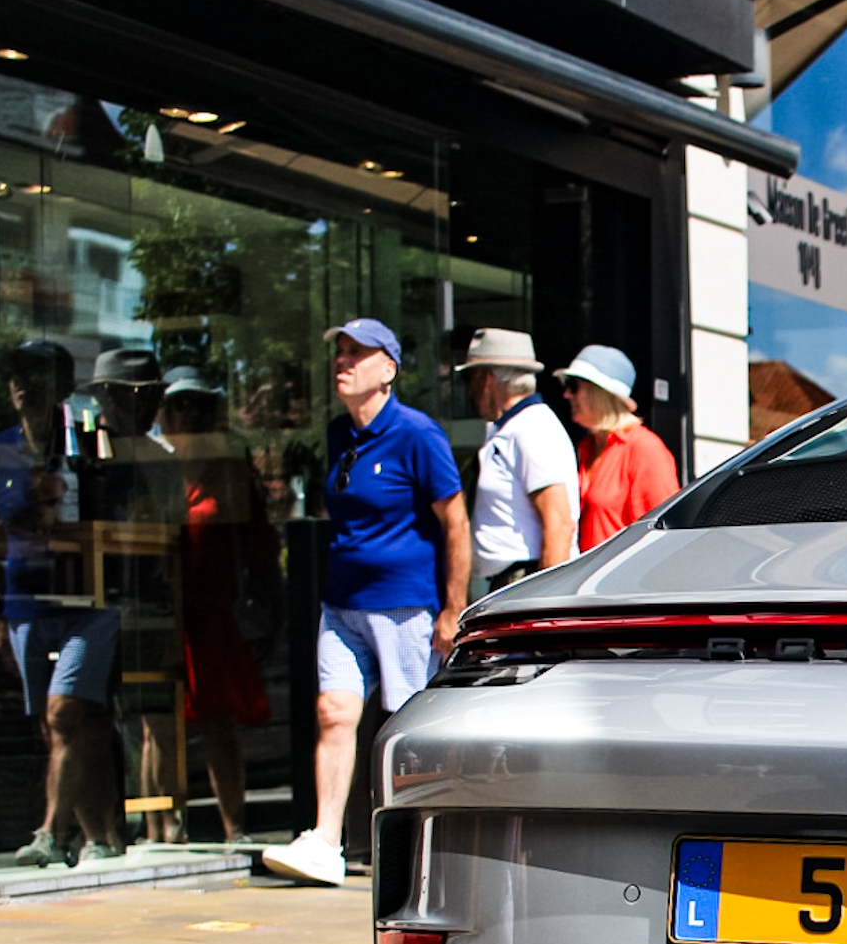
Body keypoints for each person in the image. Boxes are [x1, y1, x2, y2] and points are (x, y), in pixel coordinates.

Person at [259, 320, 468, 888]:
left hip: (404, 606)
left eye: (357, 353)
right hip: (343, 604)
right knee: (334, 712)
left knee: (404, 731)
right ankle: (326, 841)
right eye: (340, 353)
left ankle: (418, 850)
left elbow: (454, 521)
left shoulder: (418, 434)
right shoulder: (338, 434)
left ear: (389, 370)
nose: (343, 362)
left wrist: (452, 609)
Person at [0, 340, 127, 869]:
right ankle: (102, 834)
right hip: (25, 602)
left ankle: (49, 832)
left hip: (86, 600)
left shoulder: (88, 445)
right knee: (68, 726)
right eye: (17, 374)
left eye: (38, 375)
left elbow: (114, 517)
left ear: (62, 388)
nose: (23, 384)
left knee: (64, 712)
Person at [148, 364, 275, 844]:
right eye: (178, 403)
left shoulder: (229, 469)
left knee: (219, 725)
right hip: (163, 615)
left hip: (212, 615)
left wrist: (269, 601)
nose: (188, 413)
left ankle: (233, 828)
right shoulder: (154, 467)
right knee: (158, 727)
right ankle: (162, 830)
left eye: (198, 403)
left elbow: (259, 541)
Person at [457, 328, 576, 593]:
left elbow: (559, 522)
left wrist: (544, 607)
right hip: (508, 584)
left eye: (468, 378)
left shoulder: (532, 427)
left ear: (486, 379)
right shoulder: (510, 427)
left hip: (522, 583)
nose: (468, 391)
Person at [559, 344, 679, 550]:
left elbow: (665, 538)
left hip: (622, 580)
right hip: (585, 577)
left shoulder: (644, 449)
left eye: (574, 386)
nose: (567, 395)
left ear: (600, 392)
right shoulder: (585, 449)